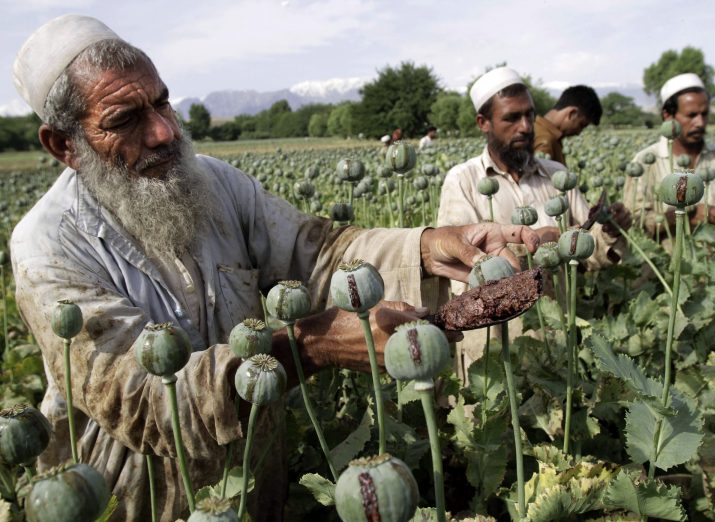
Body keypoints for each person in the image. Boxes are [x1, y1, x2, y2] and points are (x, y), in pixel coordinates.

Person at [10, 16, 540, 521]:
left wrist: (427, 246)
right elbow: (143, 400)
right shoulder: (47, 246)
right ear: (64, 145)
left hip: (256, 480)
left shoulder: (214, 182)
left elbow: (319, 252)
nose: (164, 132)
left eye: (163, 102)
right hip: (134, 497)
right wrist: (310, 346)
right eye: (125, 120)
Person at [436, 66, 630, 380]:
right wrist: (534, 242)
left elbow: (590, 255)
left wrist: (607, 230)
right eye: (512, 118)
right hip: (496, 354)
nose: (526, 127)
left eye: (530, 115)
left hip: (557, 343)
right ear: (483, 123)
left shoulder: (557, 176)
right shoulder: (463, 180)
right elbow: (458, 270)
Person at [623, 72, 715, 238]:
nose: (700, 122)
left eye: (704, 114)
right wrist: (685, 215)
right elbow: (634, 225)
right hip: (664, 262)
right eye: (691, 115)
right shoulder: (644, 162)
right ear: (667, 116)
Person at [534, 85, 602, 166]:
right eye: (581, 125)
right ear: (572, 113)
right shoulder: (545, 142)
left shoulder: (538, 129)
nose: (578, 133)